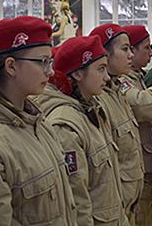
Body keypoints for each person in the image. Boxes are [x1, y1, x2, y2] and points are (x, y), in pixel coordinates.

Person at [0, 16, 76, 226]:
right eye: (43, 62)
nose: (51, 71)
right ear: (11, 66)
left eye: (51, 62)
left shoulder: (38, 123)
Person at [36, 35, 128, 226]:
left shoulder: (92, 109)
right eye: (100, 69)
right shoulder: (65, 124)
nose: (107, 77)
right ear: (77, 74)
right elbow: (76, 202)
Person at [89, 24, 144, 224]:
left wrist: (135, 200)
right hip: (112, 210)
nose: (131, 55)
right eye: (125, 49)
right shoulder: (98, 100)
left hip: (128, 201)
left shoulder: (117, 91)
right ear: (104, 54)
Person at [121, 25, 152, 226]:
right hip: (138, 169)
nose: (151, 53)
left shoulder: (137, 76)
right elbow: (143, 107)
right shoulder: (122, 80)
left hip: (148, 163)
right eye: (146, 48)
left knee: (148, 215)